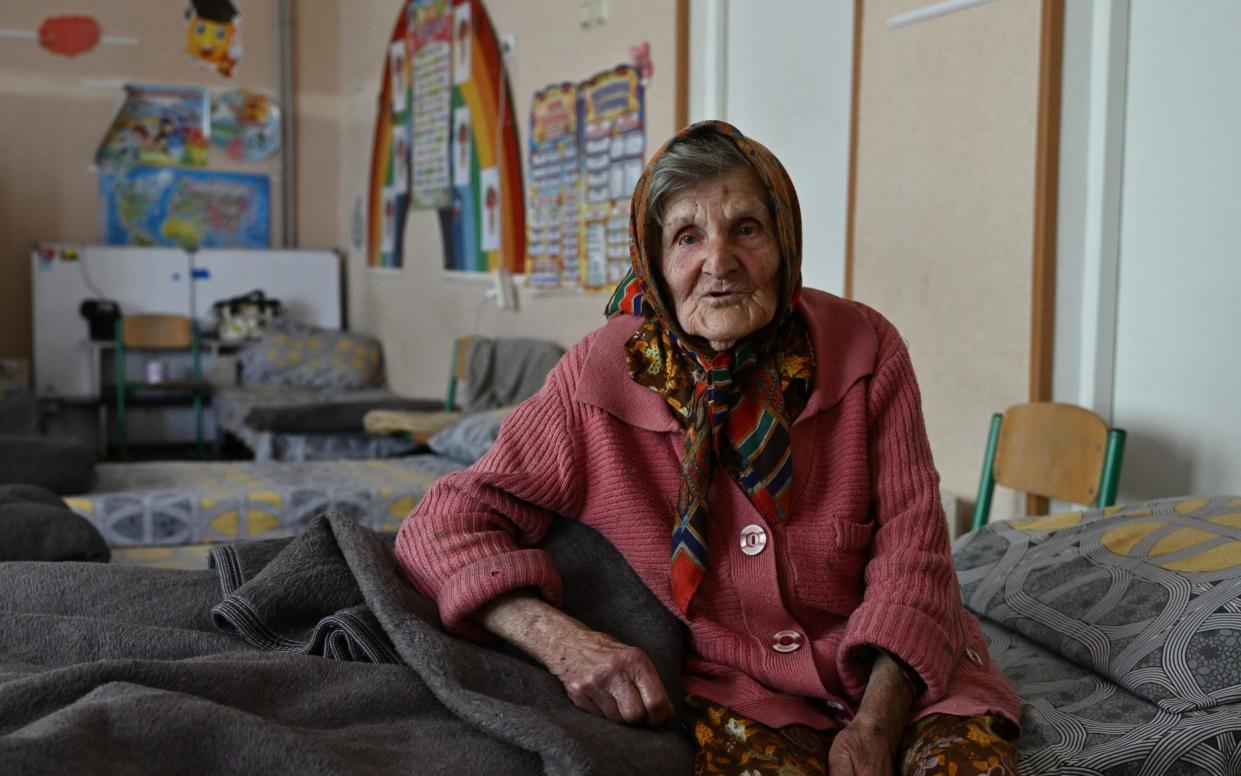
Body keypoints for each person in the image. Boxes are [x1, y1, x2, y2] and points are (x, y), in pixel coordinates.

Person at [396, 121, 1020, 775]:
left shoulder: (863, 347)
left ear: (785, 242)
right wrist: (567, 645)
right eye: (687, 237)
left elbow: (913, 555)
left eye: (746, 229)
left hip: (908, 679)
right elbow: (439, 527)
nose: (718, 264)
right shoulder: (598, 375)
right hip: (744, 696)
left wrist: (873, 730)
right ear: (655, 260)